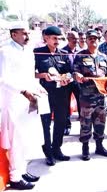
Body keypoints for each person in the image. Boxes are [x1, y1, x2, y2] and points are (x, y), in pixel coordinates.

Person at [0, 22, 42, 189]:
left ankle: (22, 170)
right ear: (13, 34)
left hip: (28, 100)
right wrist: (23, 90)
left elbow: (29, 75)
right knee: (16, 140)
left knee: (25, 138)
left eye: (27, 33)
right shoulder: (5, 52)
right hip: (13, 101)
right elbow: (3, 79)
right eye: (23, 34)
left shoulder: (27, 51)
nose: (27, 37)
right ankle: (15, 177)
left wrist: (37, 87)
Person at [34, 26, 73, 166]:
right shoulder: (38, 53)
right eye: (54, 38)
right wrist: (42, 75)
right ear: (46, 38)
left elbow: (70, 72)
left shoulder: (63, 53)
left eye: (59, 38)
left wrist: (67, 78)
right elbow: (31, 73)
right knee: (46, 123)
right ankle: (48, 151)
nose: (57, 41)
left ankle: (57, 148)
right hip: (45, 93)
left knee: (61, 121)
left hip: (61, 93)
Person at [73, 30, 107, 161]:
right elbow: (74, 72)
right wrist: (77, 76)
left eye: (95, 38)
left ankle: (99, 146)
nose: (93, 40)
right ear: (86, 40)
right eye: (90, 38)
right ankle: (85, 149)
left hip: (101, 97)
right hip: (86, 97)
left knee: (100, 122)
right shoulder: (80, 56)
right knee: (86, 123)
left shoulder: (103, 57)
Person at [61, 31, 81, 136]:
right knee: (66, 104)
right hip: (67, 81)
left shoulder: (81, 51)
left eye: (77, 38)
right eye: (74, 38)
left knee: (81, 103)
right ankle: (67, 126)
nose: (76, 40)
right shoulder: (62, 51)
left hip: (78, 82)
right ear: (68, 38)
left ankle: (84, 126)